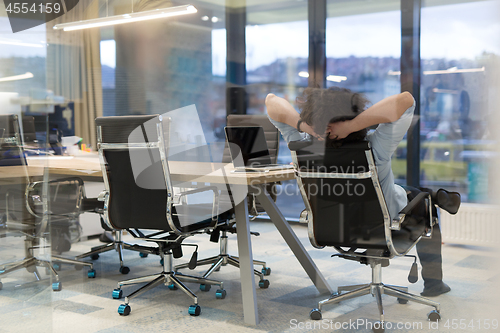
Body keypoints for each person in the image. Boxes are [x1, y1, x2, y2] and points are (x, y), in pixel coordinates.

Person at [265, 87, 460, 297]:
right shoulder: (375, 147)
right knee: (424, 202)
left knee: (410, 192)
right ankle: (434, 284)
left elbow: (271, 101)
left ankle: (433, 195)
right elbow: (406, 100)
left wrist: (305, 127)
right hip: (383, 227)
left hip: (331, 230)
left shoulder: (301, 145)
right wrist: (351, 126)